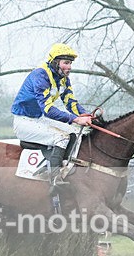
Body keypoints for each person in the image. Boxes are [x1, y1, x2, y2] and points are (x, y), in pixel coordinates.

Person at [11, 43, 93, 191]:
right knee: (62, 137)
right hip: (23, 121)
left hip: (38, 118)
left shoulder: (63, 79)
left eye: (70, 63)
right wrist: (75, 119)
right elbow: (48, 109)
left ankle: (66, 167)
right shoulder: (40, 75)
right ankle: (54, 180)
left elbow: (70, 102)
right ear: (56, 62)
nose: (69, 67)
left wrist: (86, 115)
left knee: (75, 132)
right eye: (66, 63)